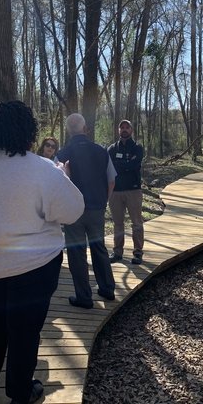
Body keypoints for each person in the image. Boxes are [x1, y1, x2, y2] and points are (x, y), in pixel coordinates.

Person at [0, 101, 84, 404]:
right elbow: (71, 211)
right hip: (34, 264)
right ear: (28, 131)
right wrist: (63, 176)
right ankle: (19, 393)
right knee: (24, 328)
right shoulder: (43, 168)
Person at [57, 113, 116, 309]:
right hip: (96, 208)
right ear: (85, 129)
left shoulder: (62, 154)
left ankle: (84, 296)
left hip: (73, 210)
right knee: (99, 248)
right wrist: (103, 201)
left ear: (69, 130)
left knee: (76, 252)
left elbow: (57, 183)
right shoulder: (101, 151)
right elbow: (111, 180)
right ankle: (107, 288)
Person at [107, 119, 144, 265]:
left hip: (133, 190)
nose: (124, 129)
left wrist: (120, 165)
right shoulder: (111, 149)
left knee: (136, 222)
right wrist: (126, 164)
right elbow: (109, 167)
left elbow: (134, 165)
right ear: (118, 130)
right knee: (118, 223)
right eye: (121, 127)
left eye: (127, 127)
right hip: (115, 191)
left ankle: (138, 252)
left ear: (131, 130)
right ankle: (117, 252)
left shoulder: (137, 147)